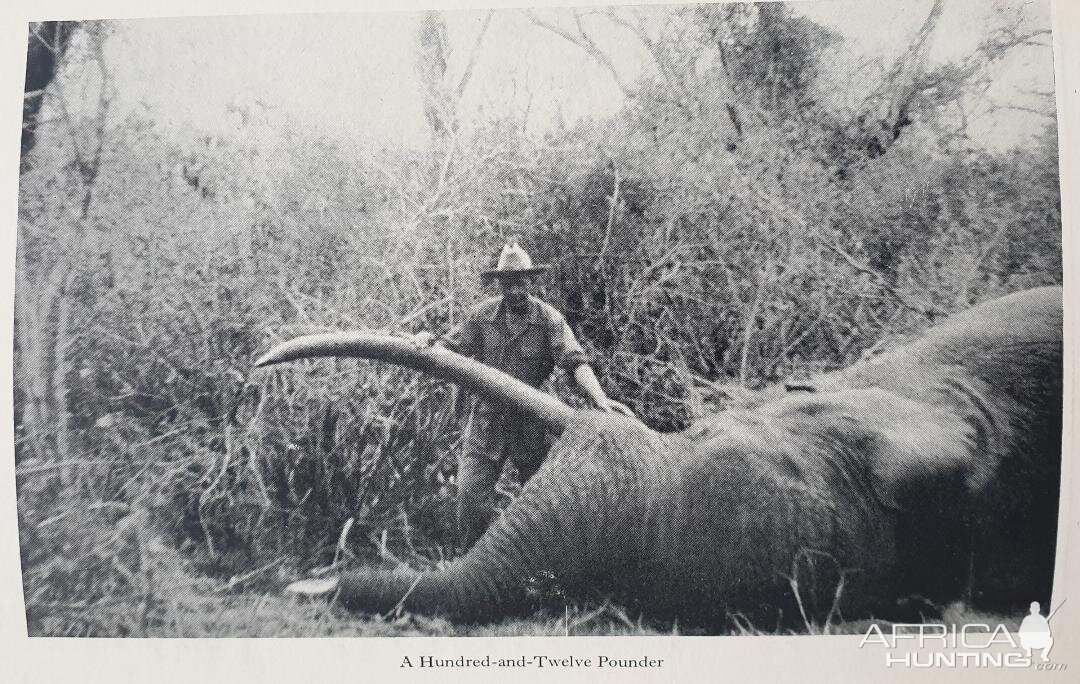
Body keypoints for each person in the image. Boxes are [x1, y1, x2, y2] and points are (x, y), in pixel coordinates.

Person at [413, 240, 633, 548]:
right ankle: (471, 569)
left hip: (530, 421)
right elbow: (448, 349)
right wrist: (426, 341)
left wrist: (600, 399)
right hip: (487, 422)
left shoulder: (549, 320)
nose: (514, 290)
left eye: (520, 282)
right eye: (508, 283)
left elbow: (575, 361)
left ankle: (546, 568)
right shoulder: (481, 317)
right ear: (500, 284)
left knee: (542, 503)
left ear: (530, 281)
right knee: (470, 496)